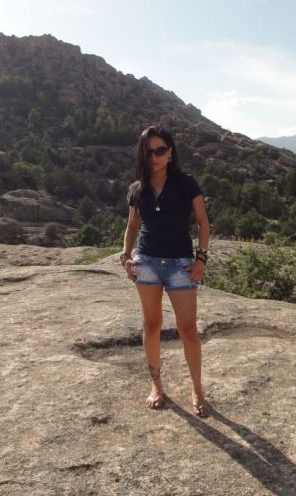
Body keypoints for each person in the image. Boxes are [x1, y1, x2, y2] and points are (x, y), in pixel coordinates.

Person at [120, 125, 211, 418]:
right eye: (149, 152)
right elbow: (132, 226)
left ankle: (197, 389)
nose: (155, 156)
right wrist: (126, 256)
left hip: (180, 265)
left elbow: (203, 223)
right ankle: (156, 385)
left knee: (188, 329)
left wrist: (201, 259)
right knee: (151, 325)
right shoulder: (137, 189)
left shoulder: (186, 184)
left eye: (160, 150)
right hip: (146, 262)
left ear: (170, 152)